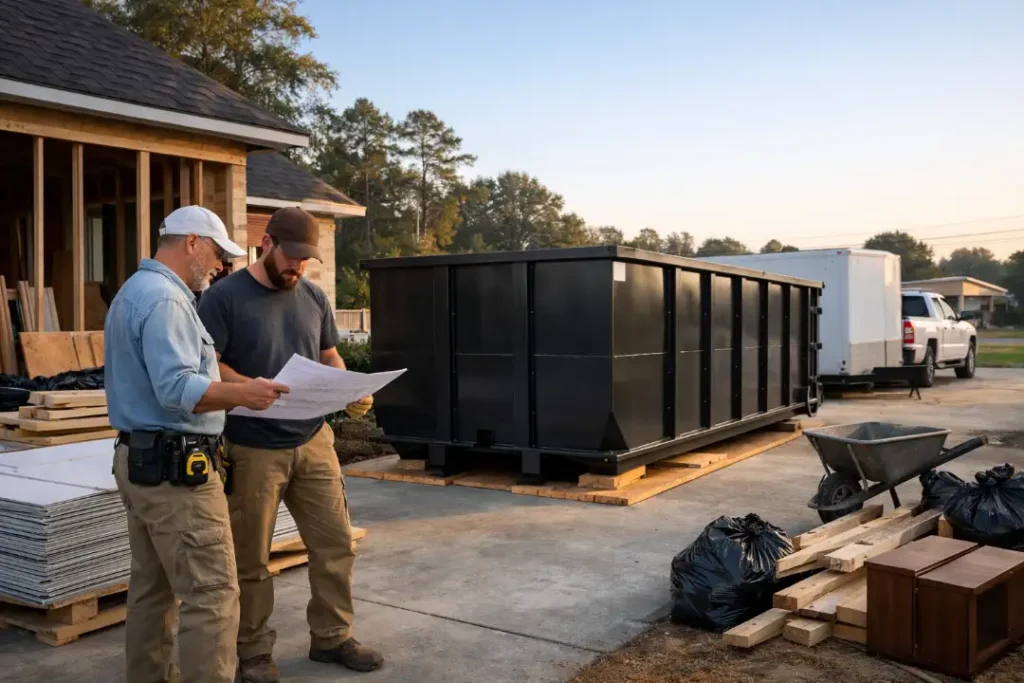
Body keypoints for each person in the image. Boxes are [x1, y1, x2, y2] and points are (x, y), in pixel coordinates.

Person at [105, 205, 290, 683]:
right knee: (212, 593)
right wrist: (246, 393)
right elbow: (178, 390)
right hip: (175, 473)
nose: (219, 266)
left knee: (153, 590)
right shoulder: (166, 301)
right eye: (215, 253)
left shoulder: (133, 292)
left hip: (141, 462)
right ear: (191, 242)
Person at [198, 206, 382, 682]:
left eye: (306, 260)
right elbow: (207, 366)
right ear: (267, 244)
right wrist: (248, 387)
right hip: (252, 445)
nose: (297, 267)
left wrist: (350, 387)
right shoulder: (224, 298)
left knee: (335, 542)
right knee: (252, 557)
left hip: (314, 438)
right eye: (291, 256)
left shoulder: (314, 298)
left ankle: (332, 636)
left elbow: (330, 356)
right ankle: (254, 652)